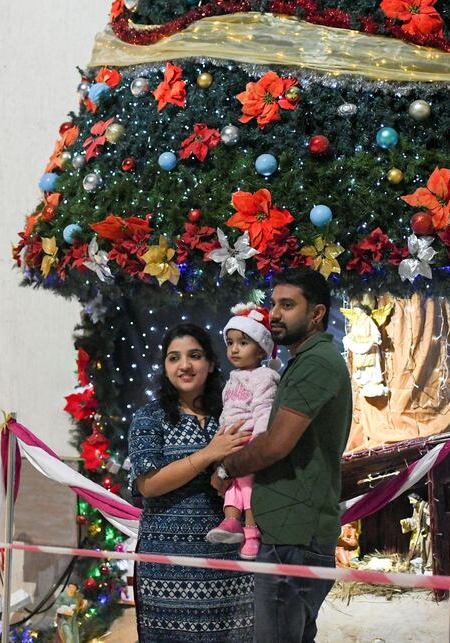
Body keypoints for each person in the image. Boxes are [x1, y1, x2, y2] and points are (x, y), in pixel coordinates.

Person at [213, 267, 353, 642]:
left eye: (287, 305)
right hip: (287, 530)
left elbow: (276, 444)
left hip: (294, 535)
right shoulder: (300, 362)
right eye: (273, 304)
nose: (274, 313)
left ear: (317, 313)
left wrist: (226, 467)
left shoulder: (317, 362)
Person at [128, 323, 254, 642]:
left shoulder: (231, 414)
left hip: (230, 558)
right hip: (167, 562)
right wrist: (209, 453)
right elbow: (148, 485)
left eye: (194, 356)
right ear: (165, 367)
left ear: (211, 364)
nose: (184, 365)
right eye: (174, 358)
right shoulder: (150, 417)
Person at [206, 303, 281, 559]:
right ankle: (231, 522)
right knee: (231, 486)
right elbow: (227, 412)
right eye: (230, 342)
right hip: (230, 443)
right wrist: (219, 438)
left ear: (261, 349)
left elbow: (264, 410)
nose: (234, 349)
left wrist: (259, 441)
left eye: (243, 343)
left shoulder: (264, 377)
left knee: (247, 484)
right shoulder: (233, 378)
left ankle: (251, 532)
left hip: (249, 442)